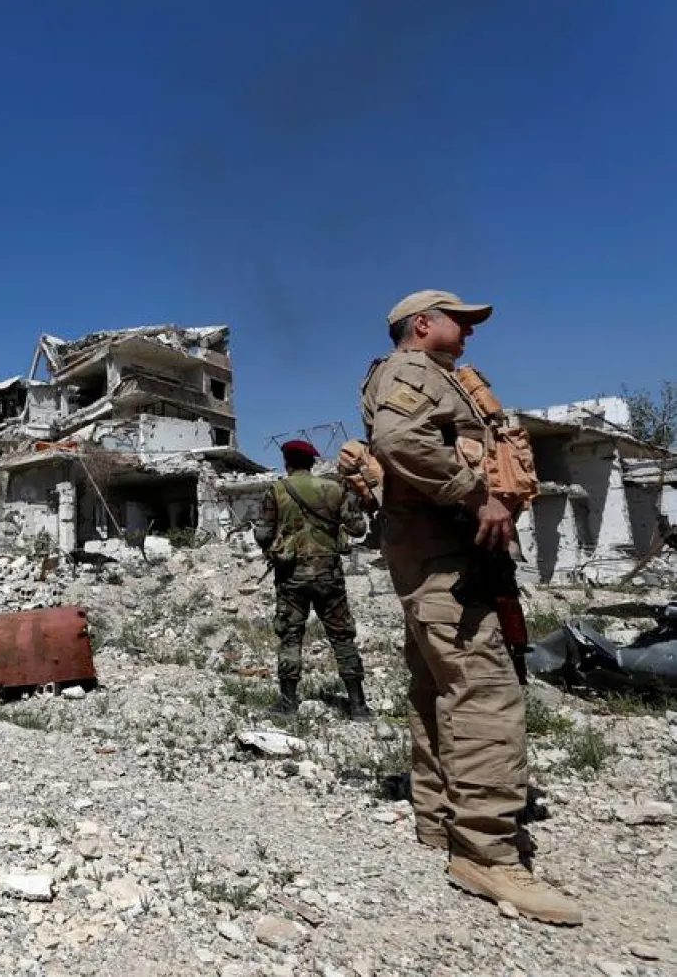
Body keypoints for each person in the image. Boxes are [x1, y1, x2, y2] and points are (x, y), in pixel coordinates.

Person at [361, 289, 581, 925]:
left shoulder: (441, 378)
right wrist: (474, 495)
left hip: (446, 558)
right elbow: (399, 442)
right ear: (422, 324)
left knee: (438, 687)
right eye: (461, 321)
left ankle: (438, 819)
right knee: (485, 690)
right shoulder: (406, 372)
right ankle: (487, 853)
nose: (470, 333)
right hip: (441, 558)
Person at [252, 439, 370, 719]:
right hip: (329, 575)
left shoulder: (277, 490)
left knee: (291, 637)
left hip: (291, 577)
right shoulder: (334, 489)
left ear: (286, 462)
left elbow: (263, 535)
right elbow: (358, 528)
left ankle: (288, 703)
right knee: (342, 637)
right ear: (312, 463)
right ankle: (358, 705)